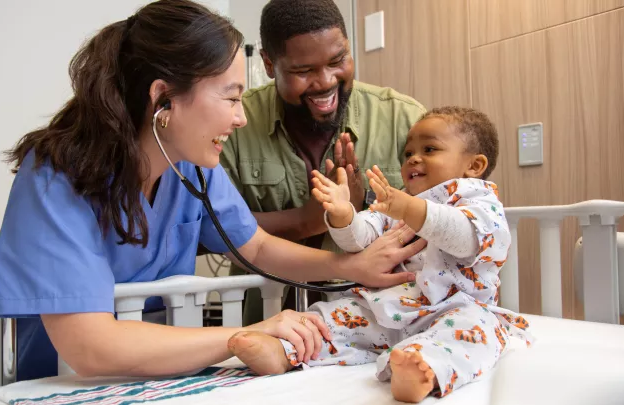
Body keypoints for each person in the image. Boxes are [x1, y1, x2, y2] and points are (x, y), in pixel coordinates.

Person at [0, 0, 427, 388]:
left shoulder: (189, 166)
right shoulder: (55, 175)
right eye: (231, 99)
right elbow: (91, 347)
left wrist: (349, 266)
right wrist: (246, 334)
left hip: (162, 377)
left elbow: (255, 245)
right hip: (55, 383)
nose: (241, 118)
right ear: (163, 101)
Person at [228, 107, 533, 403]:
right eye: (408, 152)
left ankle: (422, 369)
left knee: (478, 332)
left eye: (429, 149)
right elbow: (360, 239)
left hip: (453, 311)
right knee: (332, 316)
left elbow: (463, 236)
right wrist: (343, 215)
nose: (413, 158)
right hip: (388, 312)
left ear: (474, 165)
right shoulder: (401, 204)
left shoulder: (480, 204)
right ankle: (284, 350)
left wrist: (409, 209)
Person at [219, 0, 427, 325]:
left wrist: (366, 207)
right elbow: (211, 229)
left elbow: (447, 213)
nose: (326, 81)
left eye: (338, 60)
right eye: (304, 71)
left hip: (381, 324)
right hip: (268, 322)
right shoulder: (233, 123)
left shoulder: (404, 118)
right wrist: (305, 220)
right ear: (269, 64)